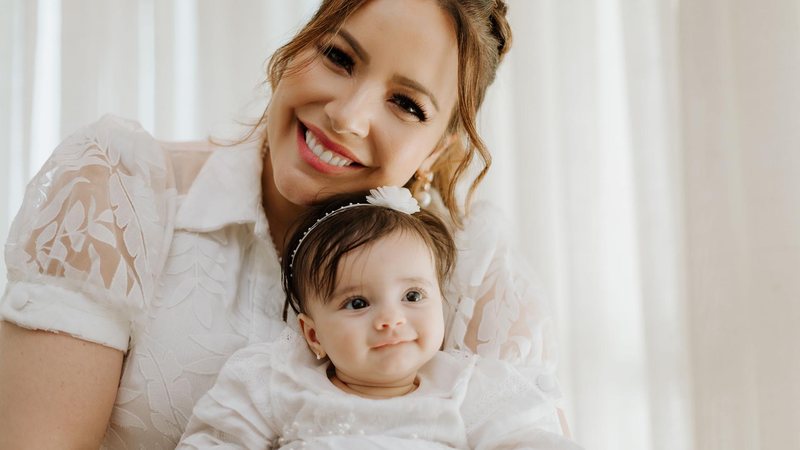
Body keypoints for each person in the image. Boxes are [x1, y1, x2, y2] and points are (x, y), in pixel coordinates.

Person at [0, 0, 562, 447]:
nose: (347, 115)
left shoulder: (475, 272)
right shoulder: (120, 188)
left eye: (406, 104)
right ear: (298, 45)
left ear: (439, 149)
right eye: (340, 58)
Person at [178, 187, 578, 449]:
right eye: (357, 304)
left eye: (412, 296)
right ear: (313, 335)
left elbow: (526, 437)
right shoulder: (279, 380)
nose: (391, 319)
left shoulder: (465, 388)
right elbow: (218, 439)